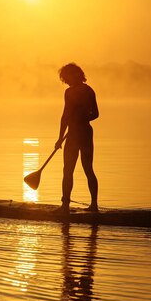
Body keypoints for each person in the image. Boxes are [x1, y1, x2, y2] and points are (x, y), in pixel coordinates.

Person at [55, 63, 99, 213]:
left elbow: (95, 113)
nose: (65, 81)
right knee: (68, 169)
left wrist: (82, 119)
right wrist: (60, 138)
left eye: (66, 77)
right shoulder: (71, 92)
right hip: (75, 133)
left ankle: (93, 205)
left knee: (86, 168)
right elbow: (65, 117)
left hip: (82, 133)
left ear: (74, 75)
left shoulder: (87, 91)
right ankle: (65, 205)